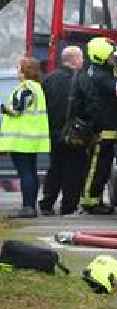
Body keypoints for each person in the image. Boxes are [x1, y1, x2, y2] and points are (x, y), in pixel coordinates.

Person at [79, 37, 117, 214]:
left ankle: (95, 200)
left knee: (102, 168)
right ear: (101, 56)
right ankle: (90, 202)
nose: (114, 57)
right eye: (112, 55)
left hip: (105, 129)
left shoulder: (99, 71)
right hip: (102, 130)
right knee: (97, 167)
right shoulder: (99, 76)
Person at [38, 46, 91, 216]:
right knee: (74, 171)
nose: (83, 61)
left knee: (55, 168)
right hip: (74, 133)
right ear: (74, 59)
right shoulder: (82, 80)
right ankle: (68, 206)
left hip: (53, 132)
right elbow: (89, 105)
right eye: (81, 58)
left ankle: (47, 203)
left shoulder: (48, 79)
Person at [0, 57, 50, 218]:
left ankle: (28, 207)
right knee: (31, 172)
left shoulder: (26, 87)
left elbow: (17, 109)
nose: (17, 72)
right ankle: (30, 206)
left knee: (25, 173)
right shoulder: (37, 87)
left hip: (20, 140)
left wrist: (4, 109)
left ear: (24, 71)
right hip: (31, 138)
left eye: (18, 68)